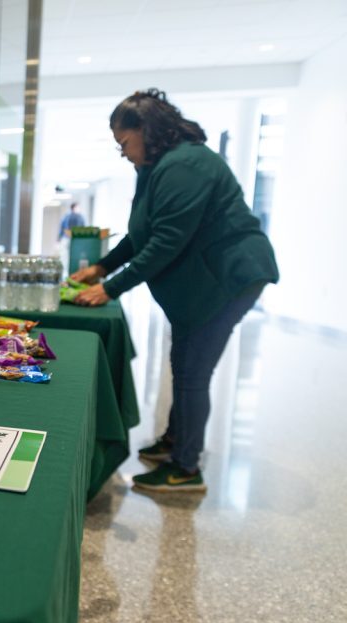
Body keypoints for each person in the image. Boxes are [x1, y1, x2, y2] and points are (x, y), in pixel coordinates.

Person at [70, 89, 278, 494]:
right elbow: (141, 233)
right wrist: (101, 268)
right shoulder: (158, 165)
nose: (125, 154)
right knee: (184, 362)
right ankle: (174, 440)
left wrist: (108, 289)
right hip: (205, 280)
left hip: (228, 277)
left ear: (146, 130)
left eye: (125, 143)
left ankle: (186, 468)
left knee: (192, 371)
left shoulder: (186, 165)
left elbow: (167, 241)